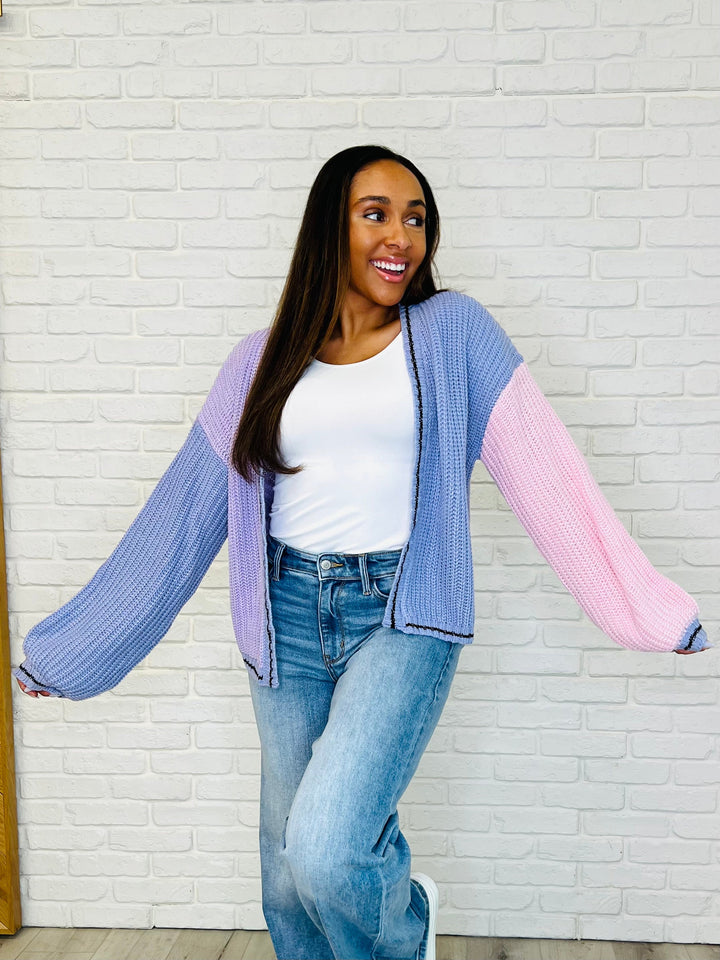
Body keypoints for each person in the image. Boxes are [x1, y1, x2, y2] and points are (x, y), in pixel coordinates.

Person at [14, 144, 710, 960]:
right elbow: (178, 519)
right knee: (287, 878)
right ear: (329, 228)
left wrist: (648, 612)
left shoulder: (453, 334)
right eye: (375, 213)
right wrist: (72, 655)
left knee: (327, 847)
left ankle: (403, 928)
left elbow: (549, 473)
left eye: (416, 218)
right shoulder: (259, 360)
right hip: (284, 617)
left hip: (403, 611)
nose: (400, 236)